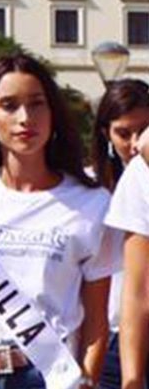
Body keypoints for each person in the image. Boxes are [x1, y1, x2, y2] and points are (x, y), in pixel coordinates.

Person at [0, 53, 120, 389]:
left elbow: (96, 322)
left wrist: (85, 378)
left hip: (49, 376)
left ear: (53, 114)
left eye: (37, 104)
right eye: (9, 105)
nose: (25, 118)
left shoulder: (91, 204)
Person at [90, 79, 149, 389]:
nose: (135, 142)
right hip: (107, 335)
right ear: (106, 134)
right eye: (124, 133)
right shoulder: (85, 190)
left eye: (144, 129)